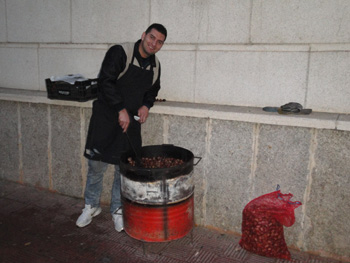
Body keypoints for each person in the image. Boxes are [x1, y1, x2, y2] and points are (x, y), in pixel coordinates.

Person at [76, 23, 167, 231]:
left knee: (122, 168)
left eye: (159, 41)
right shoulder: (120, 52)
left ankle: (117, 209)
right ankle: (91, 205)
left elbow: (153, 90)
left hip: (130, 125)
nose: (154, 43)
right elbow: (105, 81)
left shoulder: (155, 66)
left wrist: (146, 105)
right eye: (152, 37)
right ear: (143, 35)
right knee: (96, 165)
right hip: (106, 119)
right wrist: (120, 109)